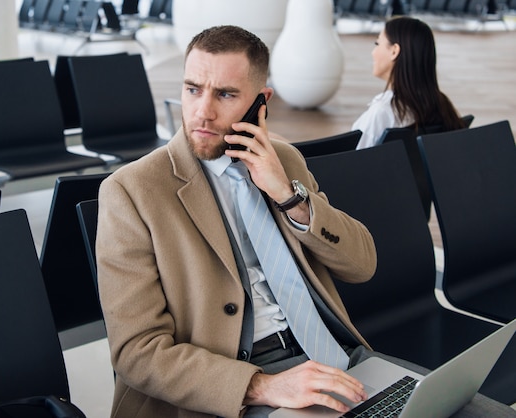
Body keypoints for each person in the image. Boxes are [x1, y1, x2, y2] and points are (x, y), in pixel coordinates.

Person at [96, 25, 513, 418]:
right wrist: (263, 386)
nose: (202, 112)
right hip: (232, 386)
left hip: (333, 357)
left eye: (224, 94)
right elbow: (137, 352)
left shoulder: (286, 161)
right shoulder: (132, 191)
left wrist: (290, 197)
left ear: (262, 102)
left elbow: (362, 264)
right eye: (192, 89)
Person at [353, 16, 465, 149]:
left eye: (377, 44)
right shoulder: (442, 104)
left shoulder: (383, 112)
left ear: (394, 51)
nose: (373, 52)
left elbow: (355, 163)